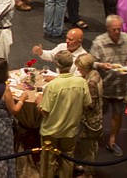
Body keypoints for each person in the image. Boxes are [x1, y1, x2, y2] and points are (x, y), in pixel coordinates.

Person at [88, 15, 127, 158]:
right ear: (107, 29)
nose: (117, 32)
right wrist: (101, 65)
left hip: (121, 86)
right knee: (99, 115)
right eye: (114, 29)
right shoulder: (99, 42)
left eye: (119, 29)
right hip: (104, 86)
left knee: (117, 115)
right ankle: (95, 139)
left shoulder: (126, 39)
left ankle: (112, 141)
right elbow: (91, 62)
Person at [38, 50, 91, 178]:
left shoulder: (52, 86)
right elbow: (87, 104)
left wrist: (39, 102)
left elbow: (44, 110)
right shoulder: (82, 82)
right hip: (70, 130)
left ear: (57, 65)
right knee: (67, 160)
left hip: (51, 131)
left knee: (48, 162)